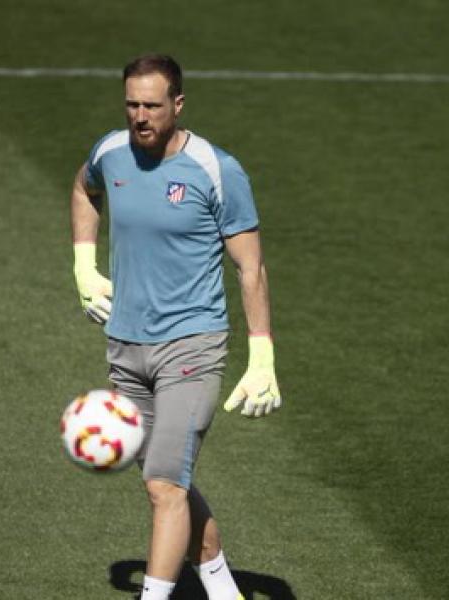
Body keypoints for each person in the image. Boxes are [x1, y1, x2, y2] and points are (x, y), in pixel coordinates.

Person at [69, 53, 282, 600]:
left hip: (192, 346)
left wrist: (262, 358)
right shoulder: (109, 152)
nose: (140, 116)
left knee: (165, 484)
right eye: (132, 105)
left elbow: (250, 266)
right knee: (164, 482)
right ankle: (223, 589)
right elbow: (83, 190)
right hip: (125, 347)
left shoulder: (216, 170)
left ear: (178, 105)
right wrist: (83, 266)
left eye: (152, 106)